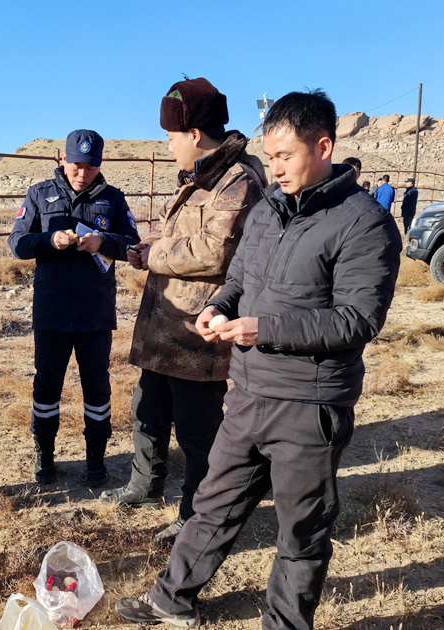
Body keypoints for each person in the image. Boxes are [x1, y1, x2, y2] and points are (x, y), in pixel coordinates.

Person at [115, 90, 401, 629]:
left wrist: (263, 328)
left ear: (323, 147)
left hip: (309, 403)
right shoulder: (268, 208)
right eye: (269, 157)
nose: (274, 168)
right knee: (214, 503)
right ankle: (172, 600)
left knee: (301, 530)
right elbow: (239, 278)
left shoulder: (365, 223)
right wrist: (218, 307)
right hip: (248, 391)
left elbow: (357, 320)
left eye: (285, 156)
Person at [100, 77, 267, 543]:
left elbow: (216, 252)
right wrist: (151, 246)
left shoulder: (238, 181)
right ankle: (144, 485)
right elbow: (183, 239)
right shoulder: (200, 178)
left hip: (198, 338)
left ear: (194, 134)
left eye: (171, 136)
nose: (168, 145)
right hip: (163, 330)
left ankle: (196, 515)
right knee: (147, 411)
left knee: (198, 433)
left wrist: (155, 255)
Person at [8, 130, 140, 487]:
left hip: (94, 312)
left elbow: (133, 244)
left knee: (97, 388)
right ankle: (45, 455)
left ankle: (96, 460)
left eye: (91, 167)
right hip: (51, 310)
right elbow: (17, 243)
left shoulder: (113, 198)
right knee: (46, 385)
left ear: (100, 164)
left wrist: (103, 240)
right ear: (62, 158)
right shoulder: (39, 194)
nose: (83, 174)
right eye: (76, 165)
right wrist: (50, 239)